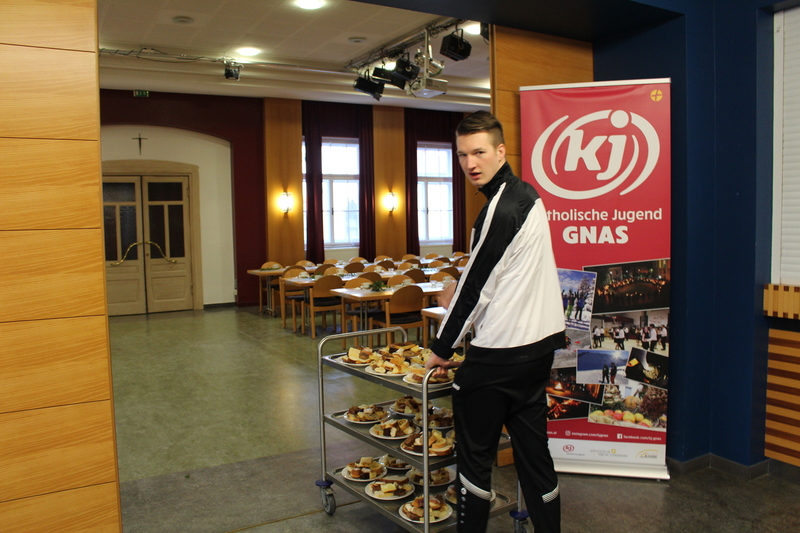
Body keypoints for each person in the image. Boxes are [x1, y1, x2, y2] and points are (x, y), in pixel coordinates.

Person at [425, 111, 566, 533]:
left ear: (501, 151)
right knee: (535, 459)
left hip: (499, 356)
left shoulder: (500, 208)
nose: (470, 163)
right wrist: (461, 294)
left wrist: (441, 348)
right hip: (538, 351)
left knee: (474, 462)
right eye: (462, 154)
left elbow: (476, 286)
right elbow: (506, 277)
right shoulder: (528, 195)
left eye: (480, 152)